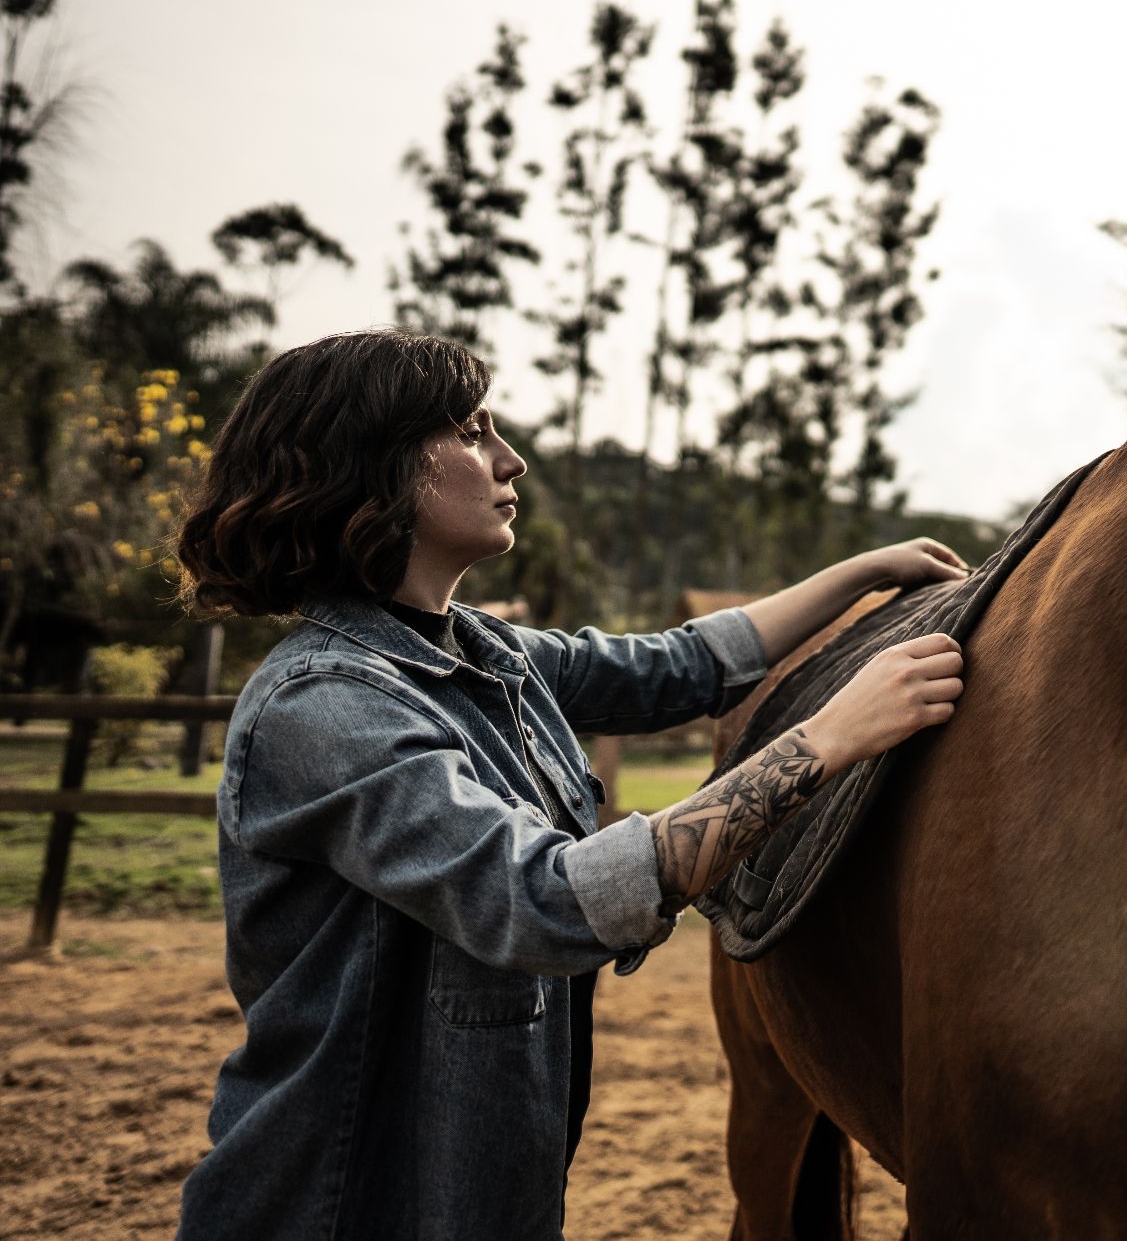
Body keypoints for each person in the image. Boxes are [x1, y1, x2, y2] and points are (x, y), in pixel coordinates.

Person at [170, 330, 969, 1241]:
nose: (509, 459)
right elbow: (542, 901)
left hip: (482, 1187)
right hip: (343, 1200)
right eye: (472, 433)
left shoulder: (485, 651)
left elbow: (679, 665)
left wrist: (862, 574)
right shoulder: (324, 708)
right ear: (374, 466)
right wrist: (827, 738)